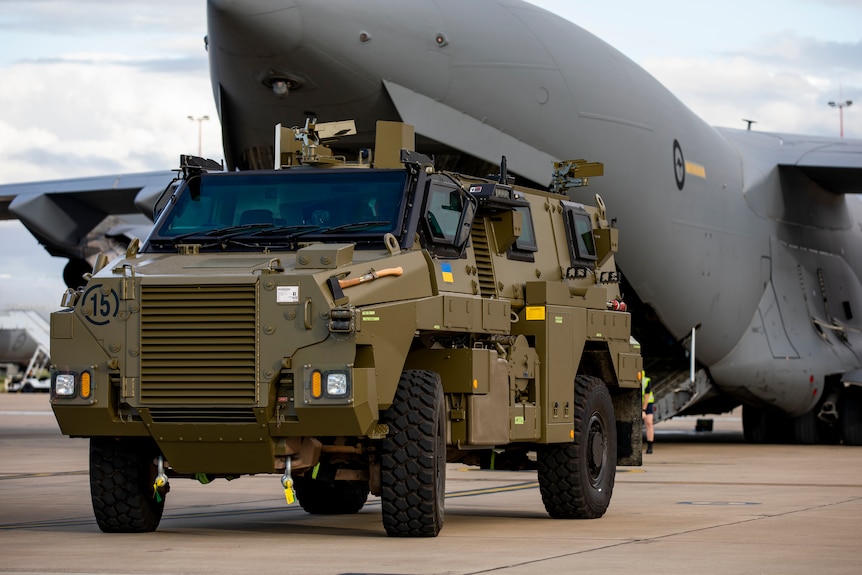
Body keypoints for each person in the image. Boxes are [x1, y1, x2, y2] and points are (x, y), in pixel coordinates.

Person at [641, 370, 655, 454]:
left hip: (647, 404)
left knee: (649, 423)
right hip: (636, 402)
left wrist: (643, 410)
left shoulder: (646, 381)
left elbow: (646, 397)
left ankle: (650, 446)